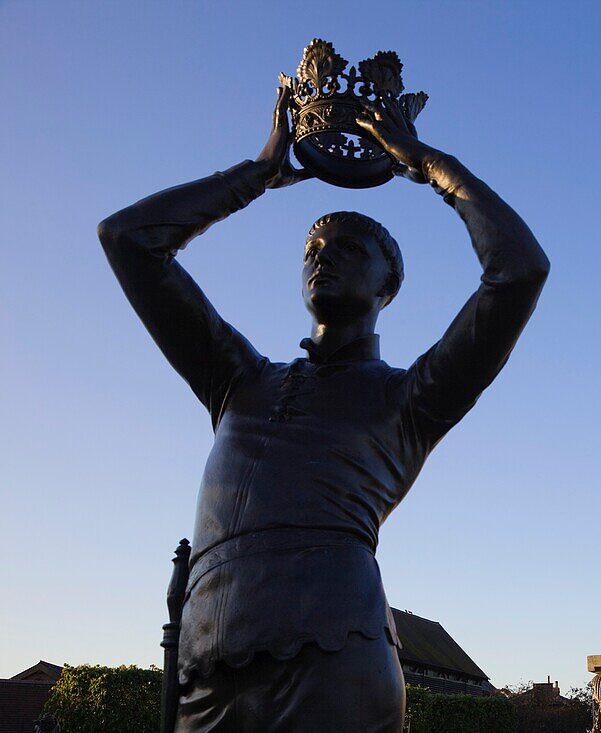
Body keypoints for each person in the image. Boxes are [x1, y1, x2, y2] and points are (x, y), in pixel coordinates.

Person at [97, 85, 549, 732]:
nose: (322, 257)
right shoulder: (237, 381)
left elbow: (519, 270)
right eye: (312, 249)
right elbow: (128, 240)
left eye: (346, 248)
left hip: (333, 659)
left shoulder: (410, 399)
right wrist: (253, 175)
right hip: (208, 665)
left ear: (387, 285)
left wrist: (426, 163)